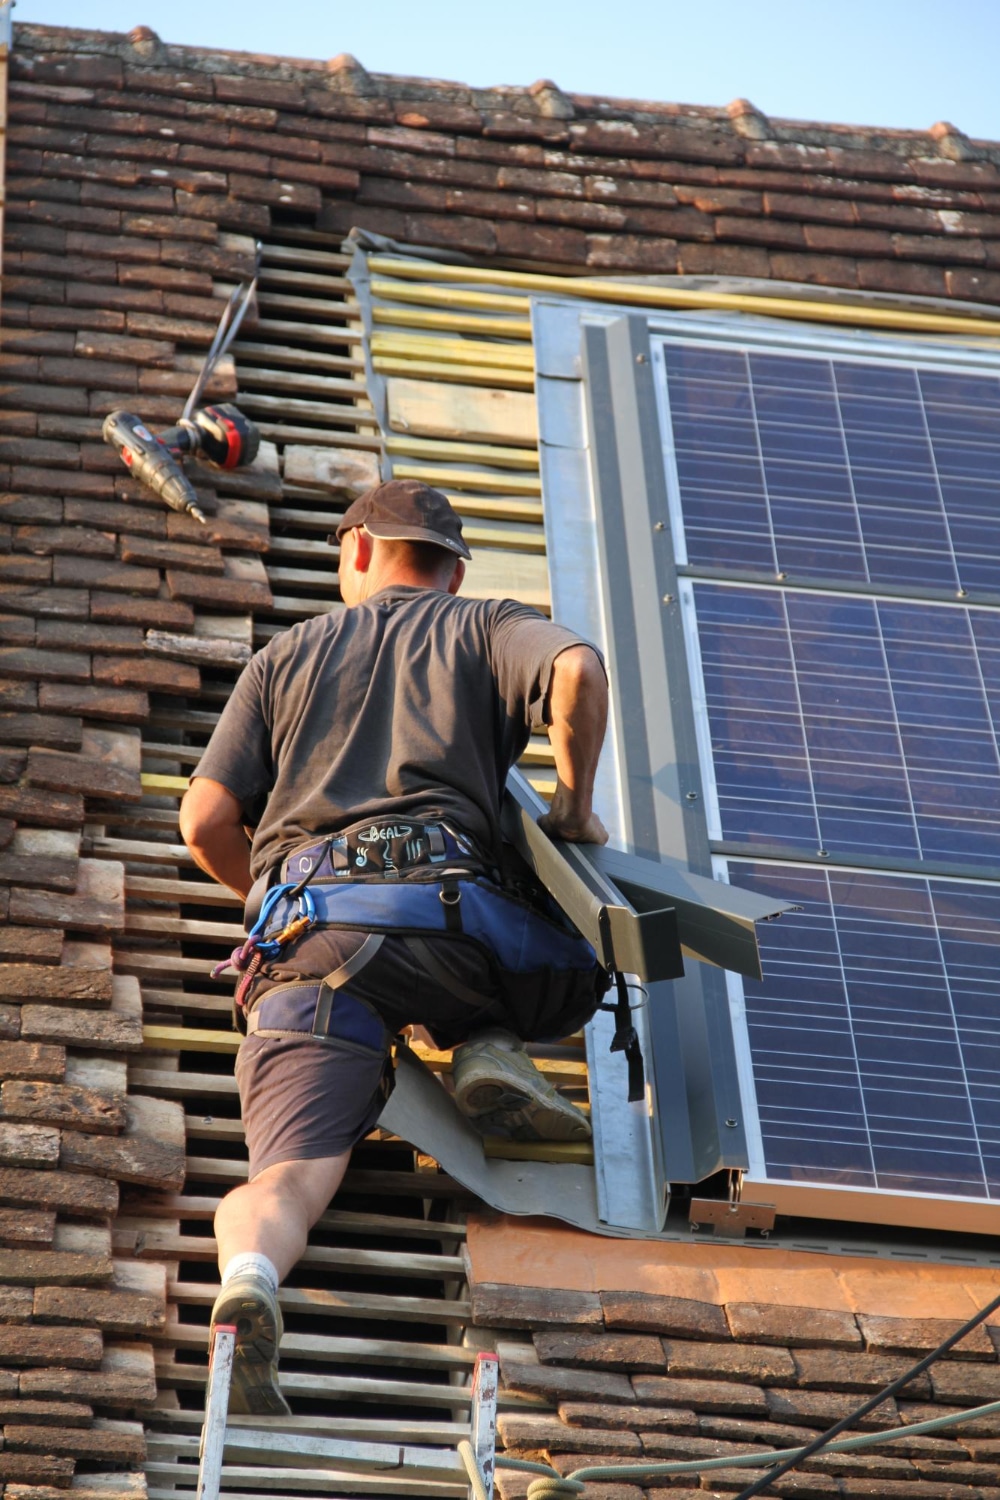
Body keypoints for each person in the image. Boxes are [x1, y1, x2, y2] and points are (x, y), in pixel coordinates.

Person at [179, 478, 609, 1416]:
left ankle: (250, 1277)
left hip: (304, 942)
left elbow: (204, 817)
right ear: (452, 571)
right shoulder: (483, 625)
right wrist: (574, 811)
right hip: (452, 929)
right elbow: (577, 670)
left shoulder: (282, 659)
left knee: (285, 1177)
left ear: (360, 551)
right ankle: (485, 1046)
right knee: (587, 940)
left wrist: (276, 901)